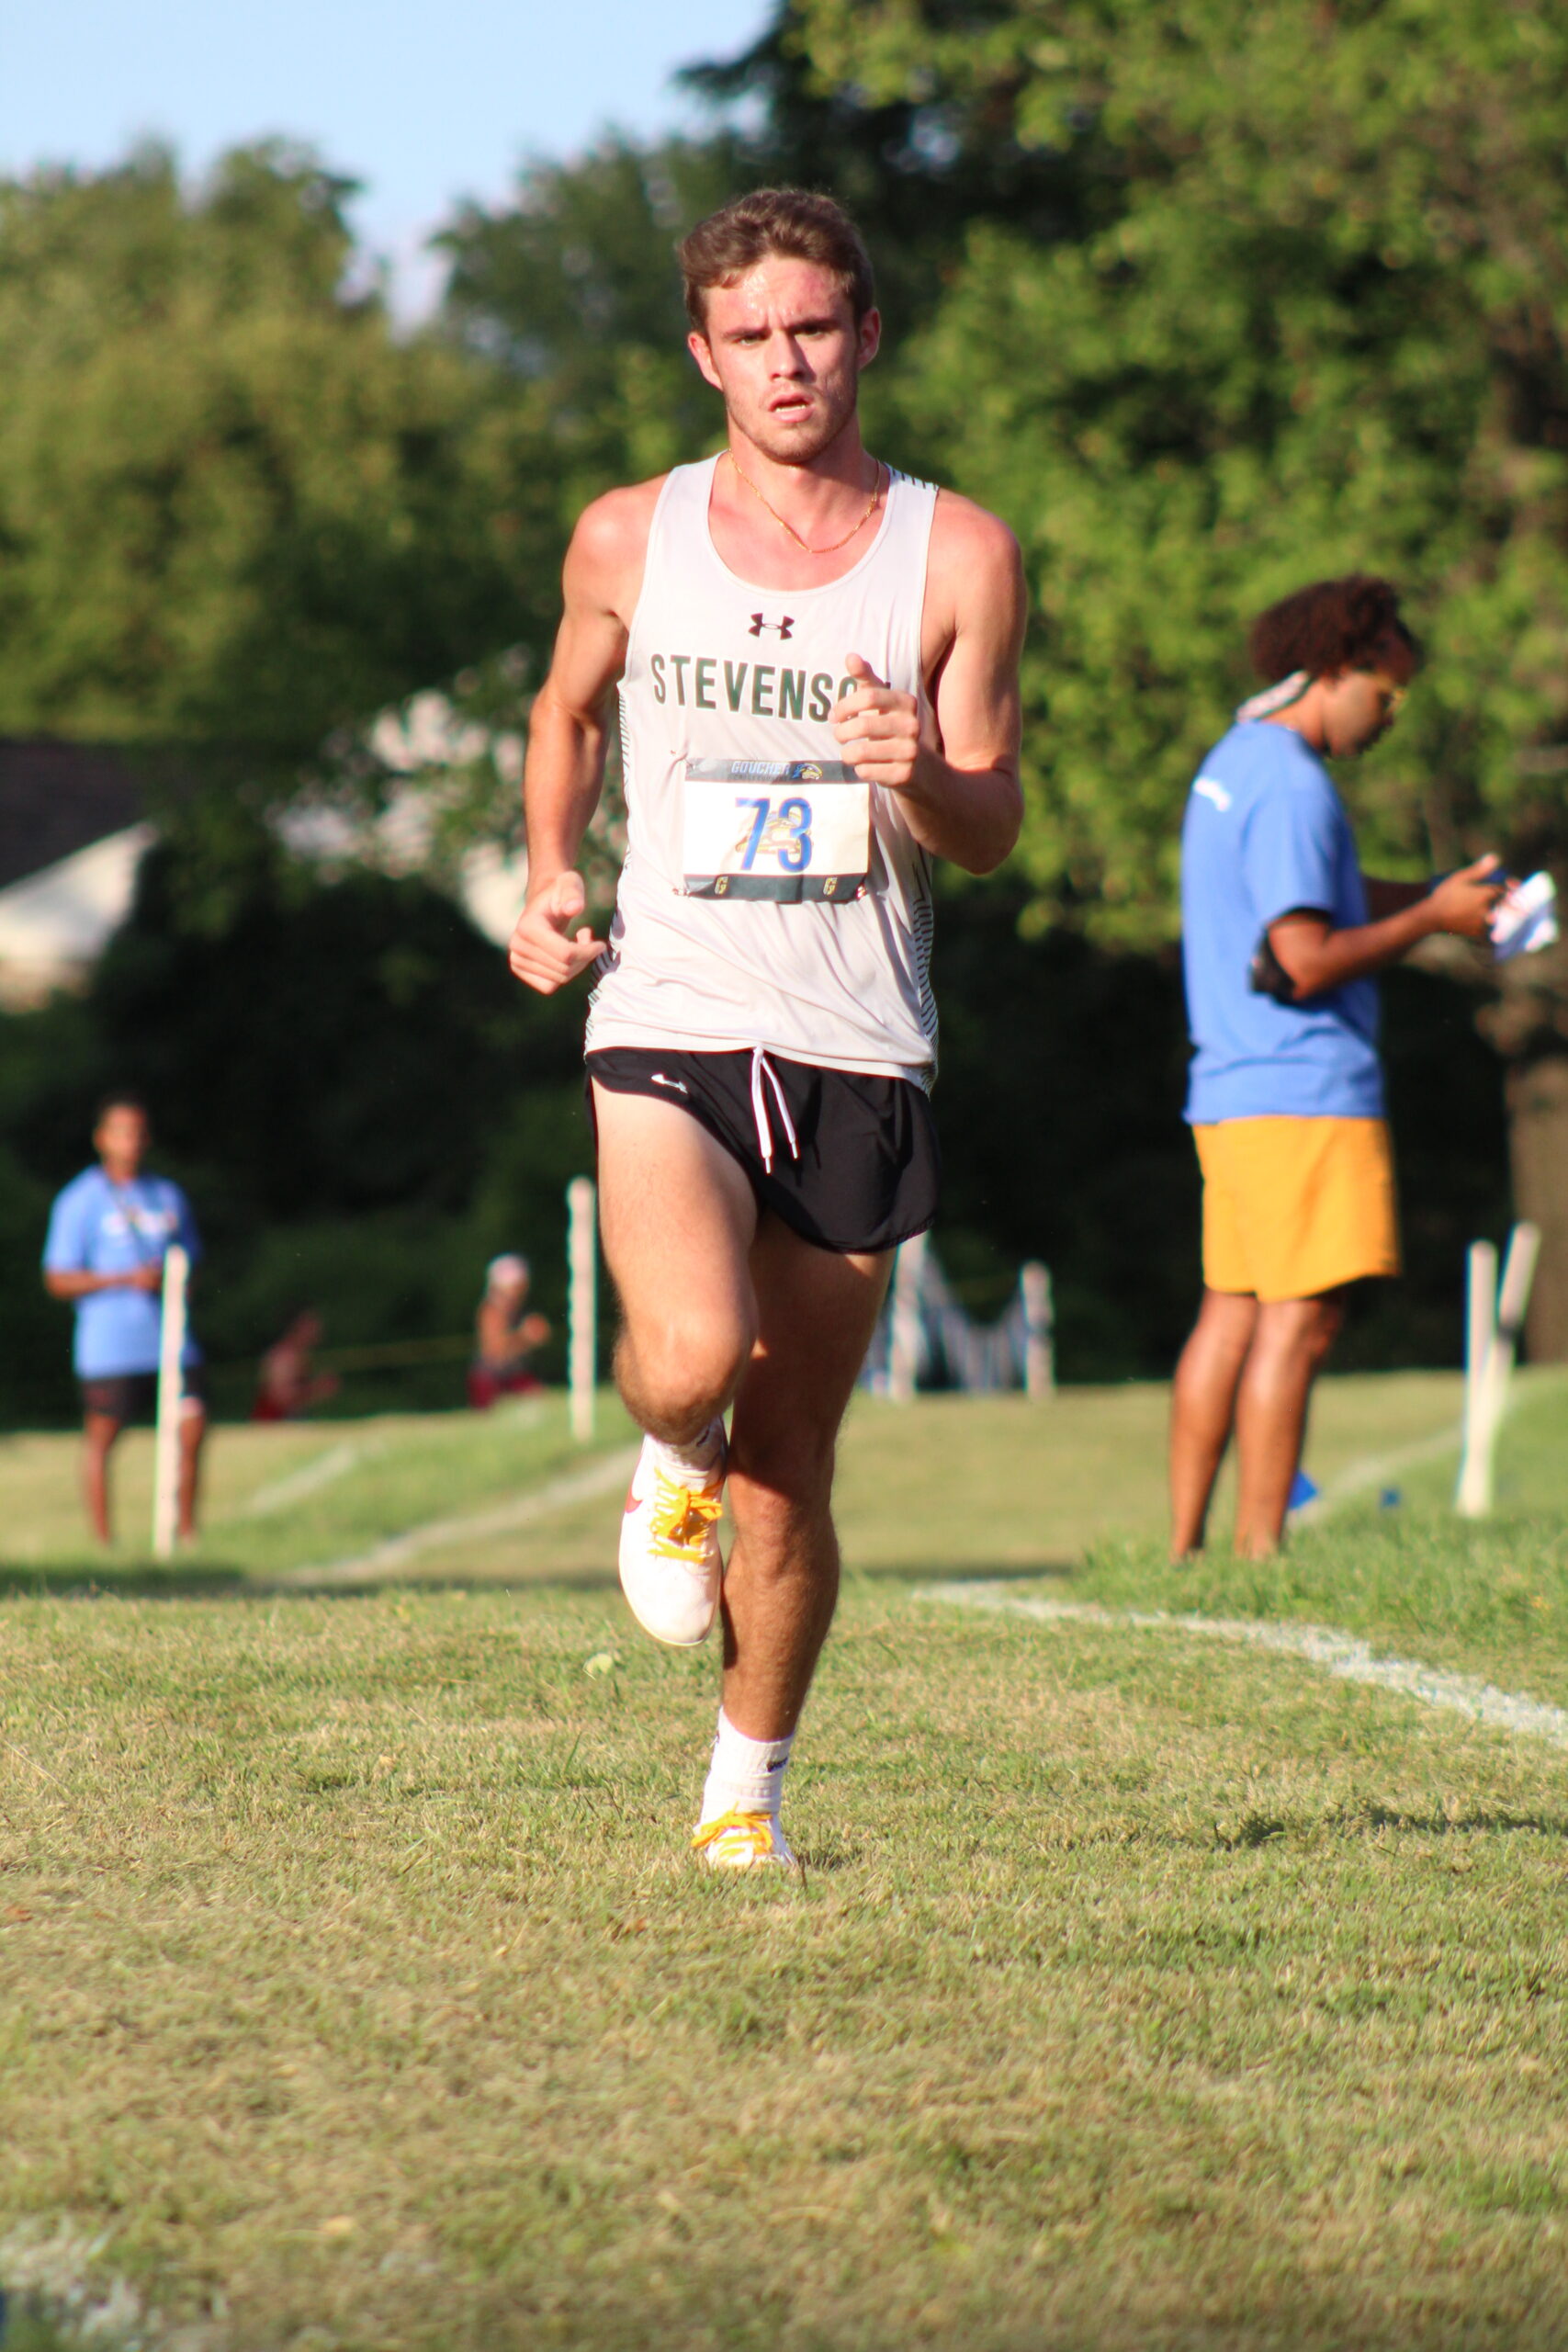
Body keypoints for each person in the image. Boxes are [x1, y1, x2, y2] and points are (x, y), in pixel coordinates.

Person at [507, 187, 1025, 1871]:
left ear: (865, 333)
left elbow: (996, 816)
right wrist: (542, 876)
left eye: (814, 326)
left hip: (860, 1041)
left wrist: (921, 779)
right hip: (667, 1005)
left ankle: (745, 1799)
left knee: (790, 1465)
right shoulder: (624, 537)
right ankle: (666, 1451)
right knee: (689, 1354)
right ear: (703, 357)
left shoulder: (953, 553)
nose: (786, 360)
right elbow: (565, 711)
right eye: (751, 336)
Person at [1169, 574, 1505, 1560]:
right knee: (1301, 1324)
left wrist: (1435, 894)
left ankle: (1187, 1551)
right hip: (1302, 1088)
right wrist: (1433, 923)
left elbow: (1318, 893)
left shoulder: (1237, 760)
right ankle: (1259, 1552)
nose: (1391, 717)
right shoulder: (1293, 781)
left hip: (1233, 1087)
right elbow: (1307, 956)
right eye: (1388, 694)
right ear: (1340, 667)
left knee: (1228, 1317)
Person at [41, 1093, 208, 1545]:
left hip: (171, 1337)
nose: (130, 1141)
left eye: (137, 1131)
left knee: (191, 1428)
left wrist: (174, 1281)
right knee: (103, 1438)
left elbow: (191, 1261)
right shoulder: (78, 1200)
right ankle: (104, 1542)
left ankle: (187, 1534)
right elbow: (57, 1278)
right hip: (110, 1345)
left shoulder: (167, 1195)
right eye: (120, 1131)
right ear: (102, 1139)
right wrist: (121, 1280)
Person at [468, 1254, 551, 1408]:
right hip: (492, 1380)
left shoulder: (515, 1311)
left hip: (513, 1374)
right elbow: (495, 1350)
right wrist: (525, 1336)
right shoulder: (491, 1311)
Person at [253, 1309, 340, 1422]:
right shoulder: (283, 1356)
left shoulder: (301, 1355)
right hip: (273, 1427)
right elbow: (280, 1397)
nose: (318, 1327)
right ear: (297, 1326)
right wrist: (318, 1388)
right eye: (311, 1323)